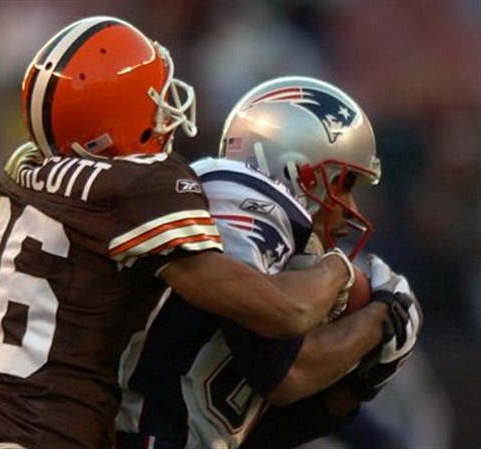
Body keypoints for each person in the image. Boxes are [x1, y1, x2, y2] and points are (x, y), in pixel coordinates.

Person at [0, 19, 355, 449]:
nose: (166, 110)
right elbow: (285, 312)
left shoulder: (22, 169)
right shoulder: (138, 187)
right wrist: (336, 271)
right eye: (154, 100)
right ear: (118, 118)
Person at [114, 76, 423, 449]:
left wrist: (359, 383)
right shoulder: (240, 198)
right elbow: (286, 375)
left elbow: (254, 431)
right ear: (293, 168)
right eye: (344, 184)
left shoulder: (275, 250)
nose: (351, 210)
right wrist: (379, 319)